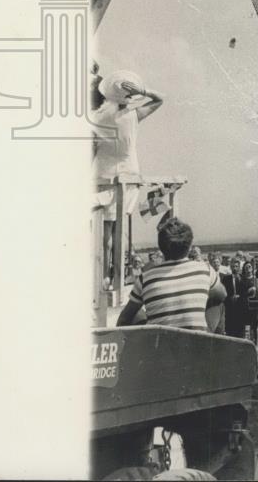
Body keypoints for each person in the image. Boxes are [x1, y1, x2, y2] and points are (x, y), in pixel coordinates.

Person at [92, 70, 164, 285]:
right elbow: (161, 99)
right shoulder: (133, 116)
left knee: (105, 232)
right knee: (118, 230)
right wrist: (143, 91)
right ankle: (115, 276)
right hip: (129, 173)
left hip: (103, 173)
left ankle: (105, 275)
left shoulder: (96, 119)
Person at [117, 217, 225, 330]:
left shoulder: (145, 278)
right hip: (195, 342)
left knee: (137, 312)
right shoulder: (205, 269)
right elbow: (222, 294)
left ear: (161, 247)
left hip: (158, 343)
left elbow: (124, 320)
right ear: (189, 248)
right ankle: (216, 341)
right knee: (219, 304)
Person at [238, 260, 258, 343]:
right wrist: (248, 291)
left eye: (249, 267)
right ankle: (246, 343)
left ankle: (256, 344)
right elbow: (240, 294)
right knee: (245, 325)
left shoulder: (256, 280)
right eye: (246, 267)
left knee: (255, 326)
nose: (248, 268)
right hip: (245, 305)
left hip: (254, 305)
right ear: (244, 269)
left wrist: (257, 290)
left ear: (252, 269)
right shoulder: (242, 280)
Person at [222, 256, 245, 338]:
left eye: (236, 266)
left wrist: (240, 297)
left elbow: (245, 293)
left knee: (240, 332)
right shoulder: (226, 279)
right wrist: (230, 298)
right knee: (230, 331)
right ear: (230, 267)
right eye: (233, 266)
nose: (235, 268)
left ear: (239, 267)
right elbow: (224, 294)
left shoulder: (243, 278)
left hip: (240, 308)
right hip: (230, 309)